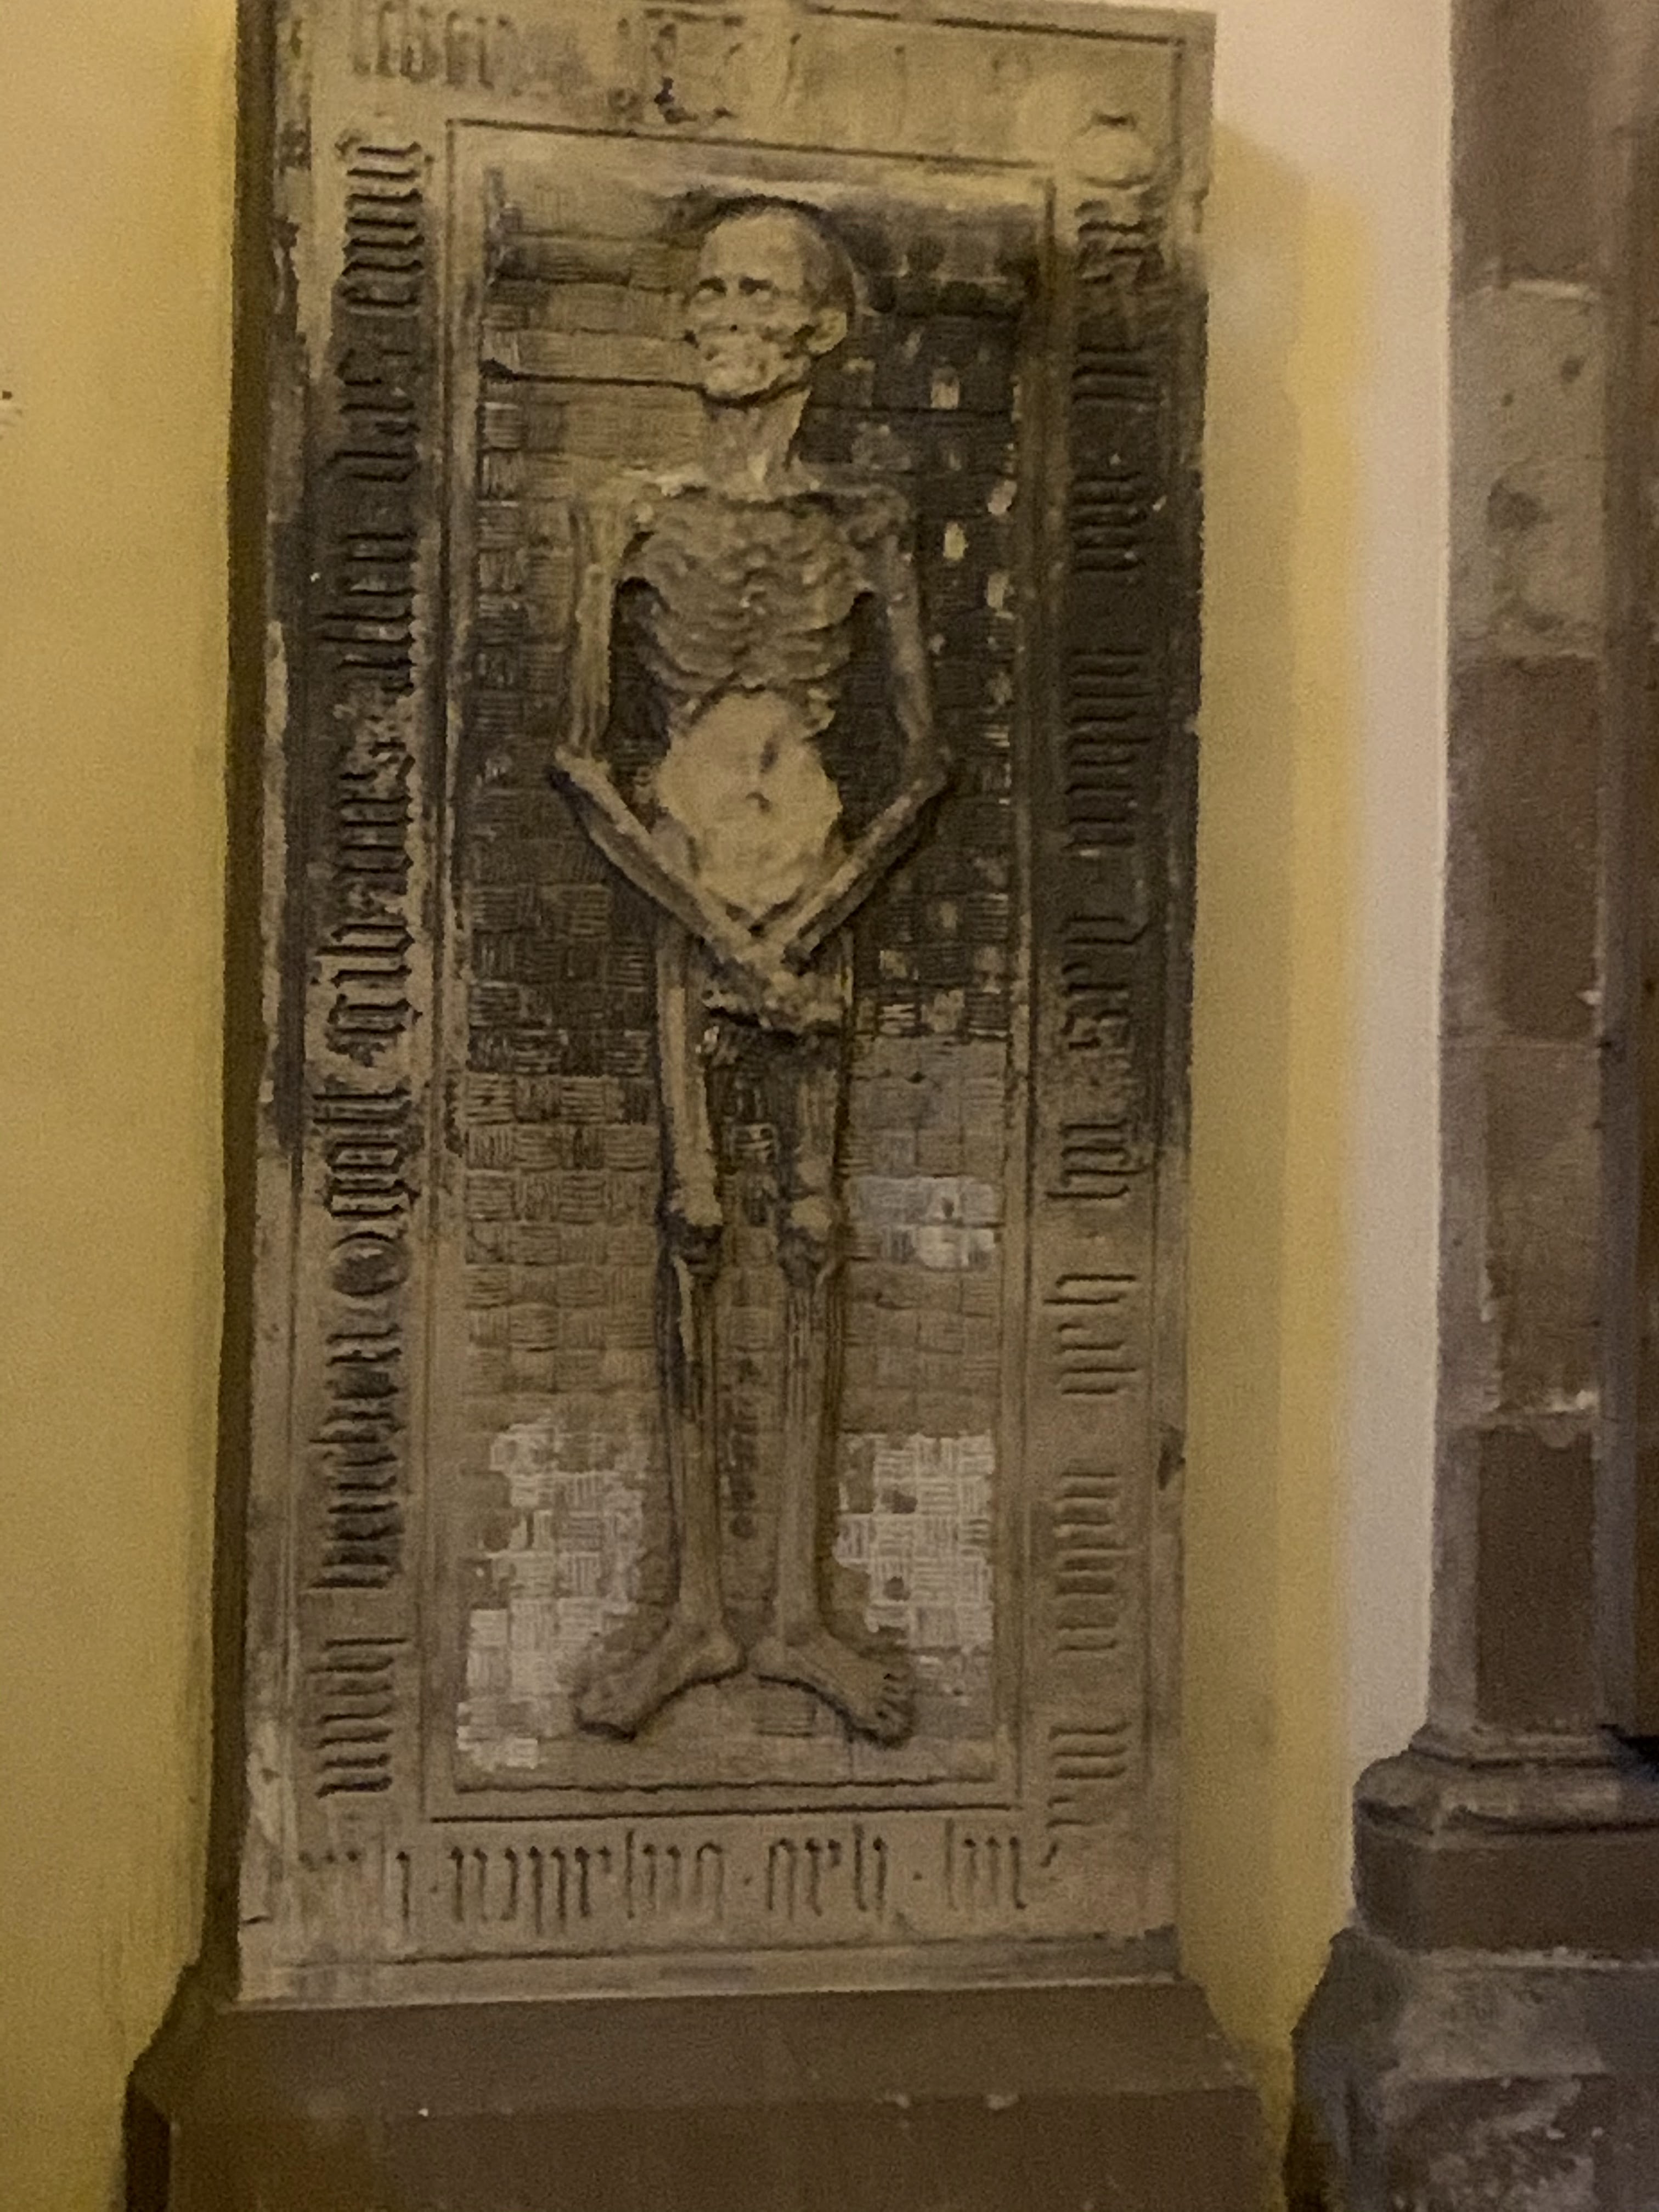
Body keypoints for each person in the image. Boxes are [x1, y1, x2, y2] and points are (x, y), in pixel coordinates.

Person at [551, 199, 947, 1743]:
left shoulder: (865, 527)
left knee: (814, 1228)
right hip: (694, 897)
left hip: (816, 895)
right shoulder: (630, 516)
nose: (722, 317)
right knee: (695, 1220)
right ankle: (695, 1615)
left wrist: (821, 915)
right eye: (708, 290)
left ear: (820, 331)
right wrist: (722, 934)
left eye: (757, 294)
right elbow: (584, 762)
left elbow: (926, 764)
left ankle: (797, 1617)